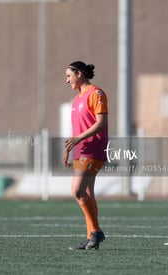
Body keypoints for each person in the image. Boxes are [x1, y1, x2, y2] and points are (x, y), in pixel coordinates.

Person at [63, 61, 108, 250]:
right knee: (88, 193)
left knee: (77, 191)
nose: (67, 80)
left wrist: (79, 138)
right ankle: (91, 236)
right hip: (81, 149)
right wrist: (69, 149)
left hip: (93, 148)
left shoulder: (96, 93)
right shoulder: (77, 99)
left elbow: (101, 123)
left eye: (68, 76)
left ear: (79, 73)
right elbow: (78, 129)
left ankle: (96, 232)